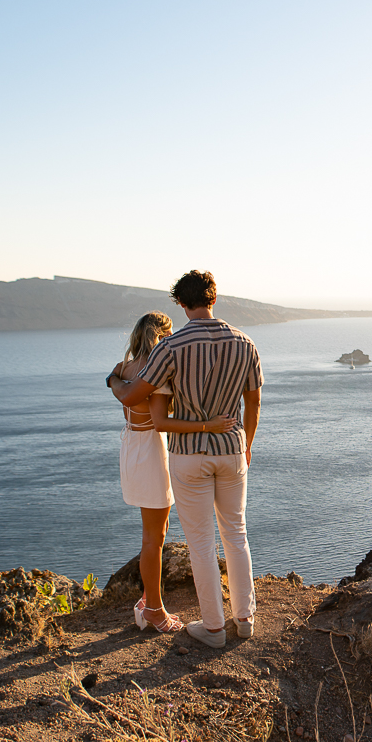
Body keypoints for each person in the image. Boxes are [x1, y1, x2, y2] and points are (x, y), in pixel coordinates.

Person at [108, 271, 263, 648]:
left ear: (181, 302)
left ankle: (212, 628)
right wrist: (247, 445)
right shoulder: (245, 343)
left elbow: (136, 395)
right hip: (232, 449)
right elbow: (253, 402)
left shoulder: (170, 347)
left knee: (200, 542)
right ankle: (244, 619)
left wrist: (113, 379)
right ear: (214, 298)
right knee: (237, 535)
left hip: (188, 453)